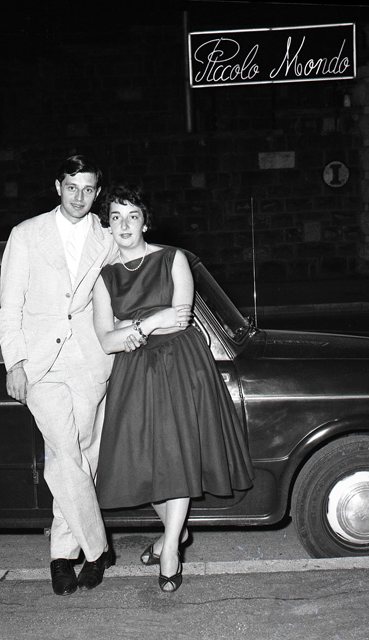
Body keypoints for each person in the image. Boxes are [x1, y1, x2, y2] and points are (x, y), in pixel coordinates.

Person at [92, 183, 254, 593]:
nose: (124, 225)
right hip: (134, 372)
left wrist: (136, 326)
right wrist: (152, 321)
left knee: (175, 455)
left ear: (145, 221)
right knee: (141, 459)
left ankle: (169, 552)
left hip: (181, 366)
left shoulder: (172, 258)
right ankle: (175, 533)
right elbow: (106, 340)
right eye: (115, 217)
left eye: (132, 216)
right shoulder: (104, 278)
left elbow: (180, 319)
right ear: (107, 226)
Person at [0, 154, 118, 596]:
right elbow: (9, 305)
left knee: (81, 456)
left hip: (89, 360)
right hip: (40, 363)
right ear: (57, 187)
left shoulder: (106, 238)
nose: (79, 197)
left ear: (97, 193)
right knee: (67, 454)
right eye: (71, 187)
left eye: (88, 190)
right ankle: (97, 549)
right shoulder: (26, 234)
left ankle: (62, 555)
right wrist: (14, 363)